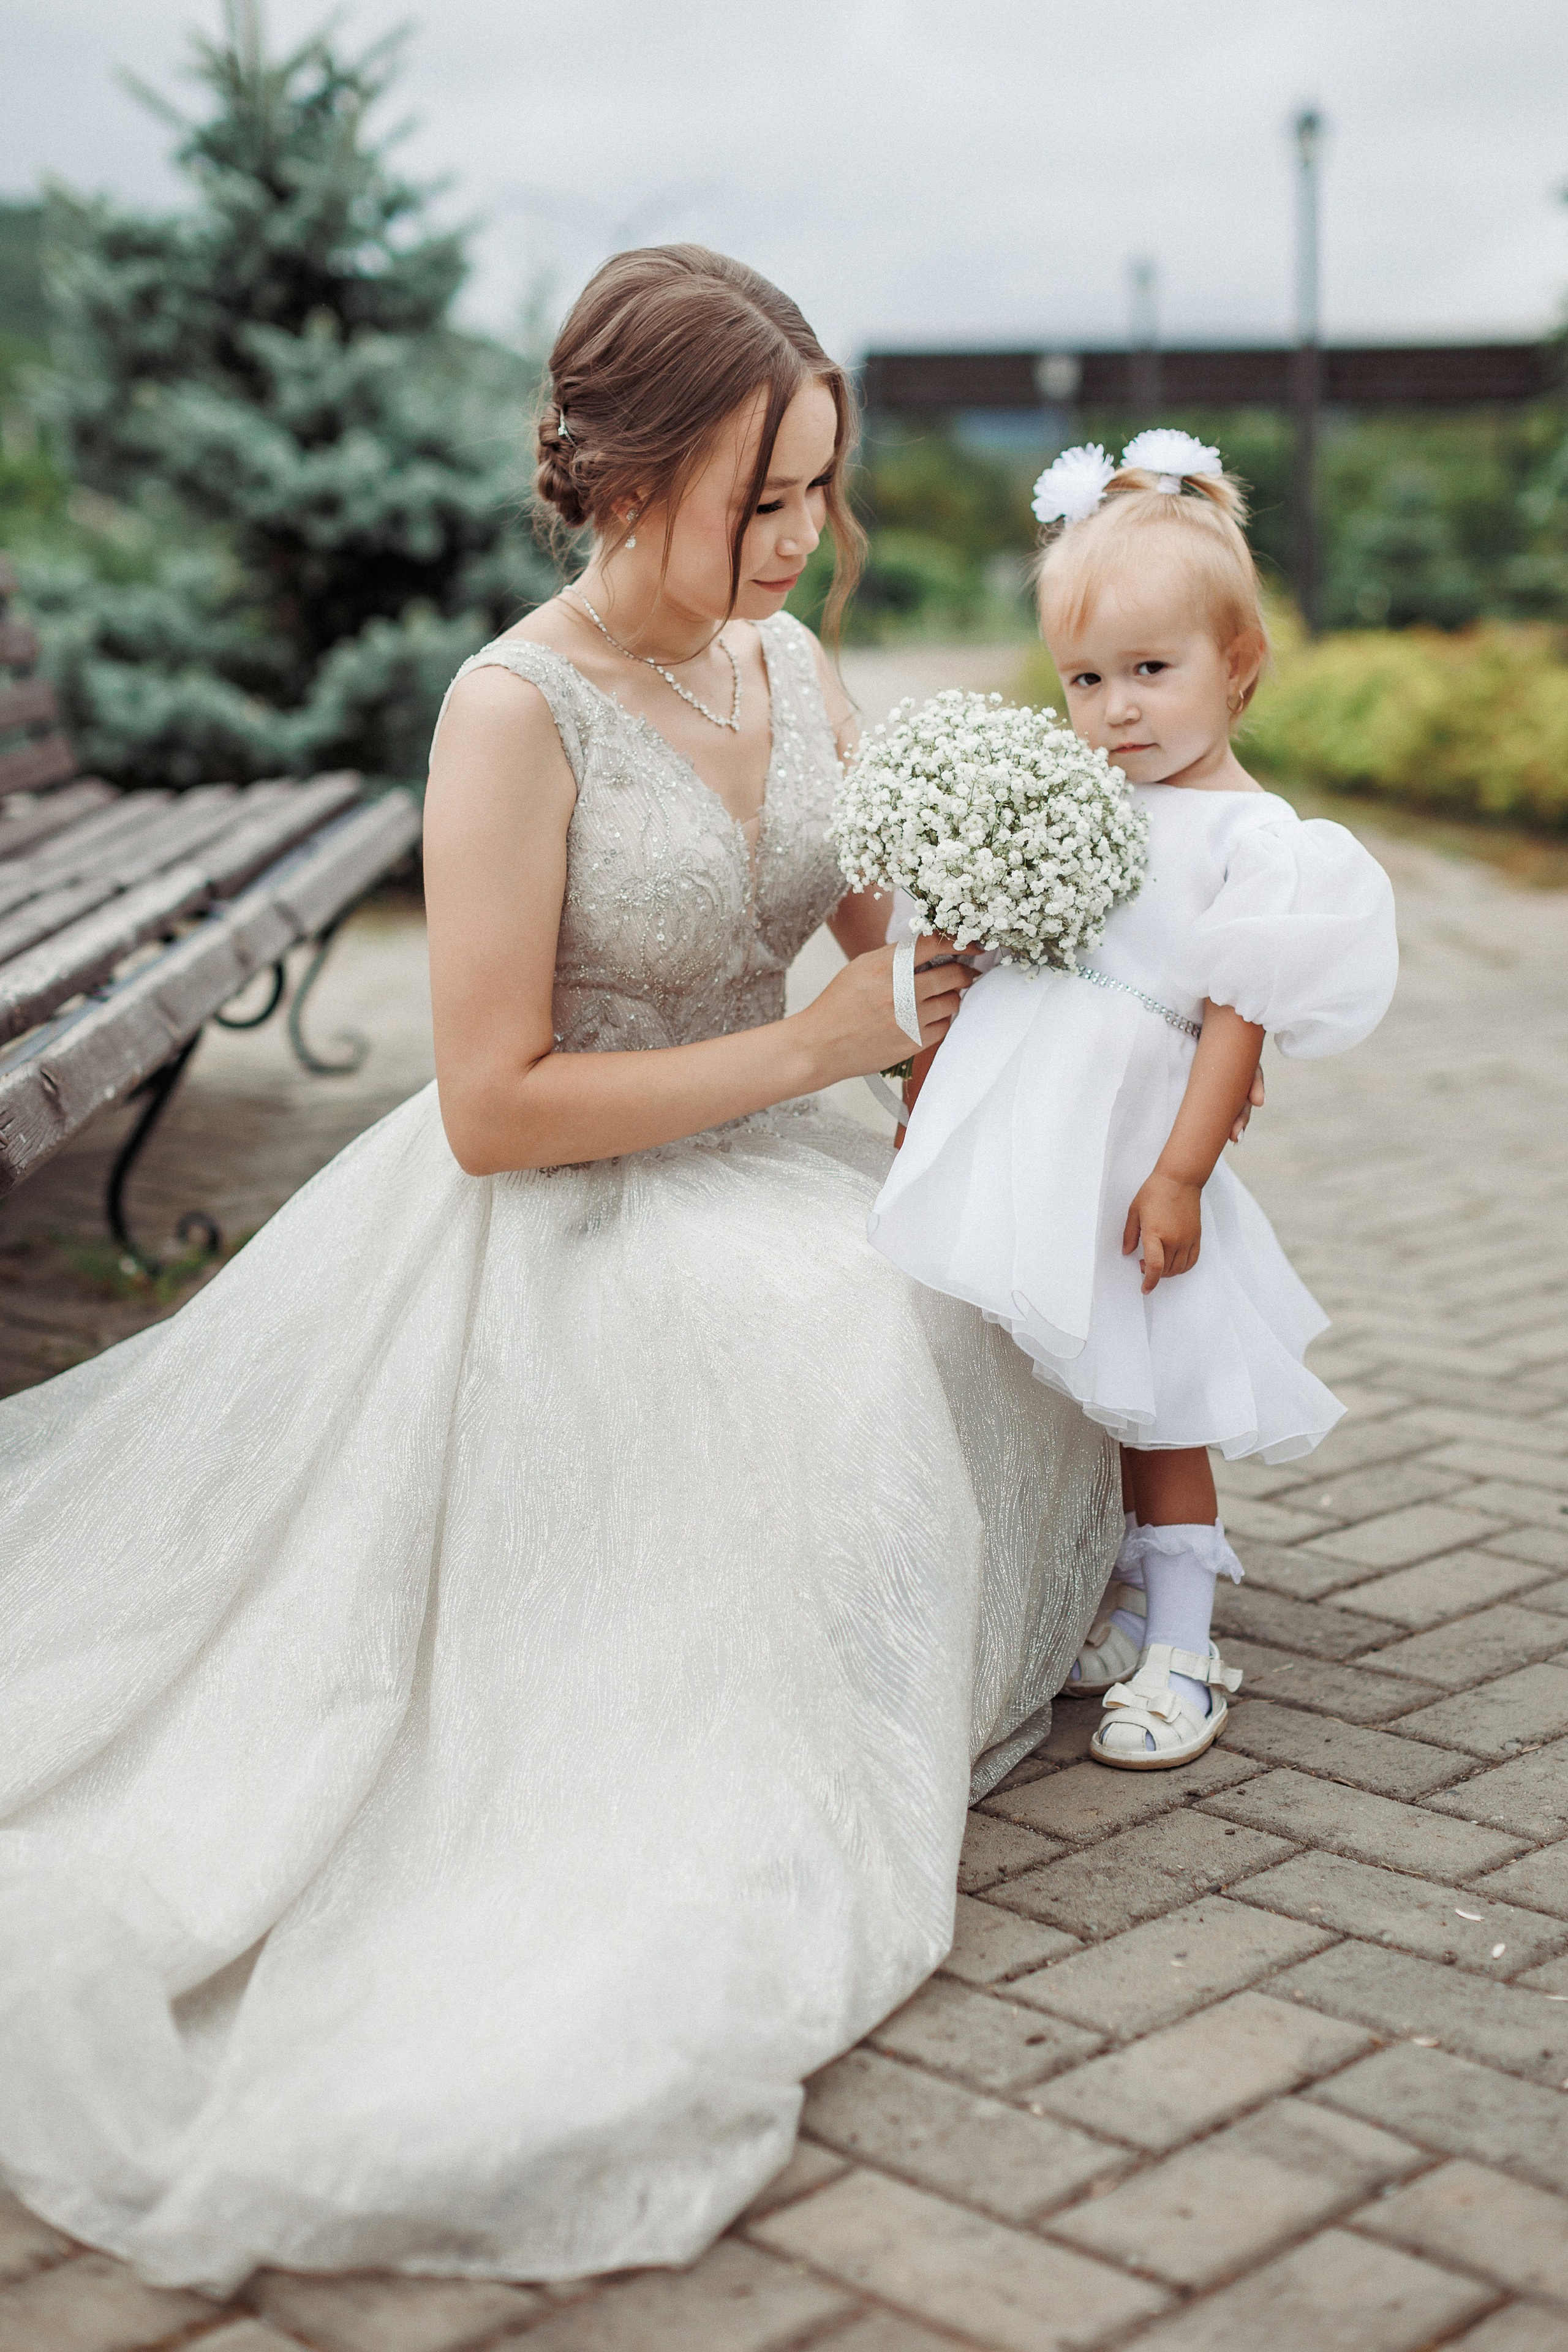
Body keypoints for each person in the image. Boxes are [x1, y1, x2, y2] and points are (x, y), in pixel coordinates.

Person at [0, 246, 1119, 2292]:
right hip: (570, 1191)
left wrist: (988, 961)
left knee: (985, 1272)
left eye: (816, 494)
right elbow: (488, 1103)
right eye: (755, 499)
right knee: (832, 1334)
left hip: (781, 1129)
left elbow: (867, 932)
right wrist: (811, 1049)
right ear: (620, 476)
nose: (798, 541)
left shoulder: (782, 662)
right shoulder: (512, 712)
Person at [868, 431, 1398, 1771]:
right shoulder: (1081, 801)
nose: (1113, 710)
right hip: (1043, 1148)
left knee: (1157, 1404)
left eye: (1149, 673)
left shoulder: (1253, 843)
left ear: (1238, 667)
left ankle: (1183, 1642)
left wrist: (1177, 1175)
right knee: (1074, 1389)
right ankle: (1109, 1596)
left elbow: (1231, 1025)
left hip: (1134, 1163)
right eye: (1084, 680)